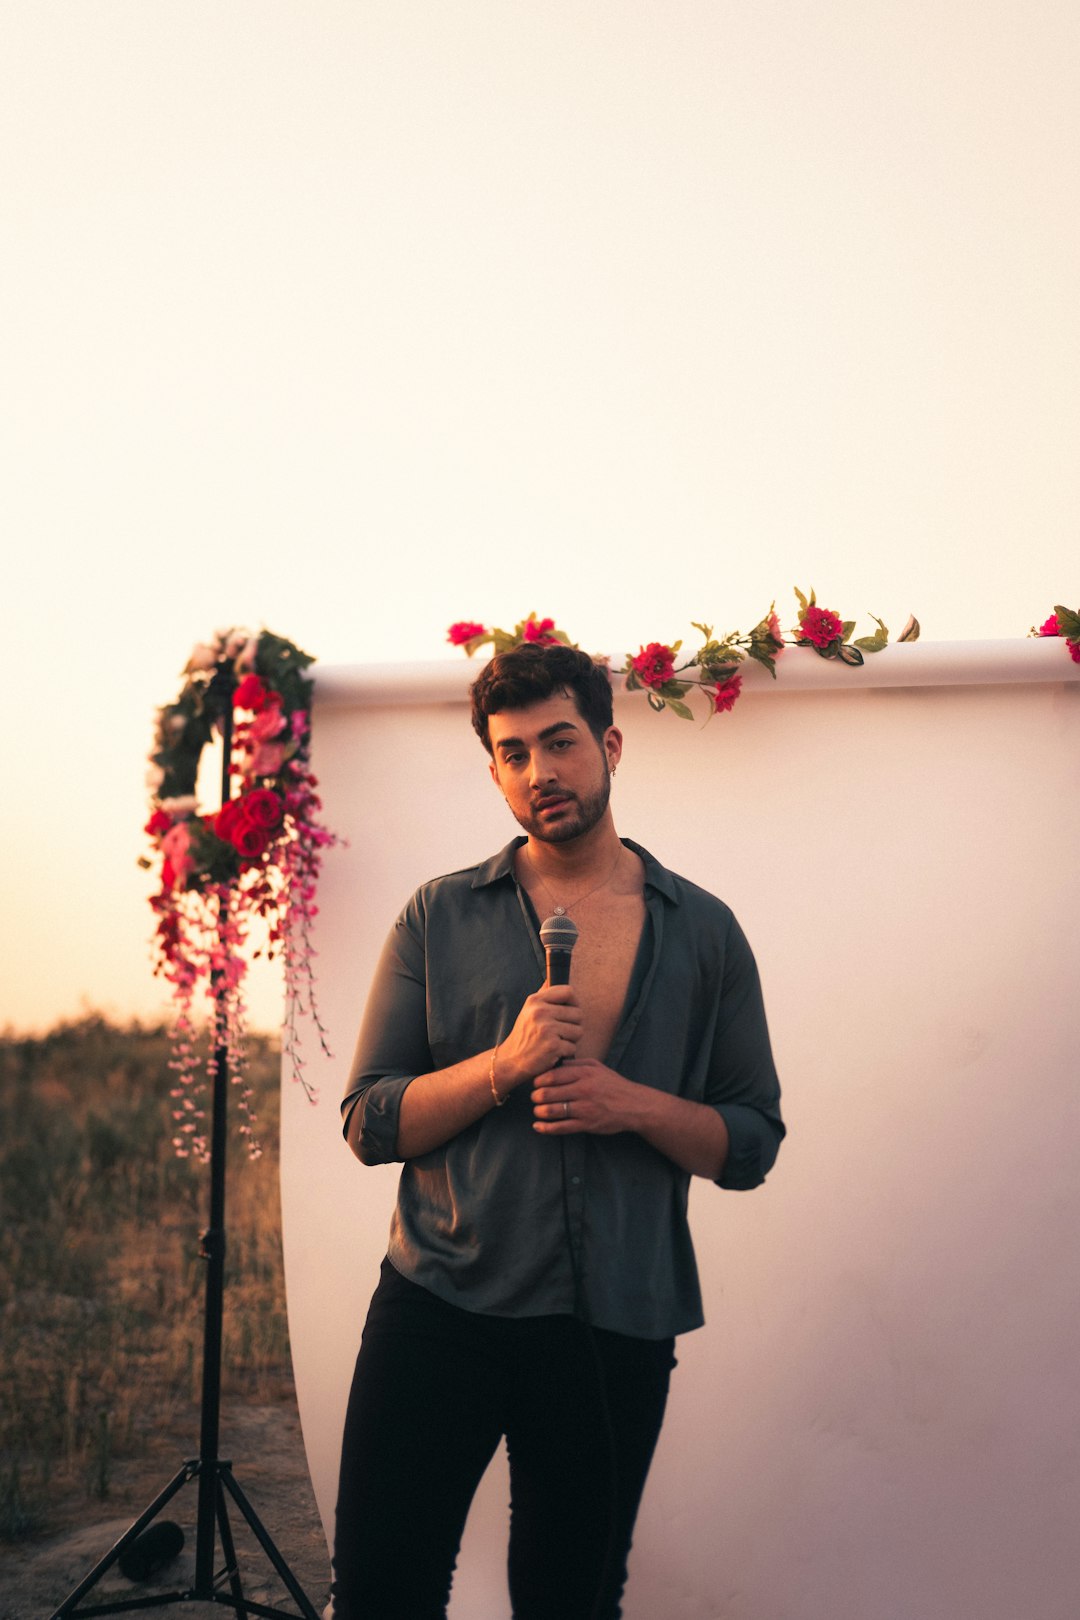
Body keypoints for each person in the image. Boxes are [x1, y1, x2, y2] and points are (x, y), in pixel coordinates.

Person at [332, 642, 785, 1620]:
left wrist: (634, 1105)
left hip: (616, 1324)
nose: (542, 772)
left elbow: (752, 1141)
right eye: (514, 753)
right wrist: (504, 1065)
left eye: (561, 742)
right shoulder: (437, 918)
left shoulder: (705, 933)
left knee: (570, 1602)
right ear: (493, 769)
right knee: (381, 1591)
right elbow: (369, 1120)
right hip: (439, 1306)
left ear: (610, 742)